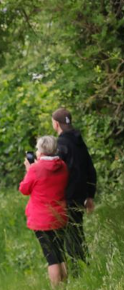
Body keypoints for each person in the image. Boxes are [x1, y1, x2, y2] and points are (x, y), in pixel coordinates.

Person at [20, 135, 69, 286]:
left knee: (51, 257)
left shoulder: (35, 169)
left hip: (42, 219)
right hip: (60, 215)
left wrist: (29, 170)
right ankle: (66, 287)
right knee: (60, 253)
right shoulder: (63, 166)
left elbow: (24, 189)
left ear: (40, 151)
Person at [53, 108, 96, 266]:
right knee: (77, 233)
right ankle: (84, 267)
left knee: (69, 237)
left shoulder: (61, 144)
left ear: (56, 124)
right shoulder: (79, 141)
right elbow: (90, 169)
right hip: (81, 195)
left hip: (66, 197)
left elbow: (55, 172)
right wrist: (90, 195)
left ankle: (77, 270)